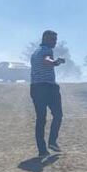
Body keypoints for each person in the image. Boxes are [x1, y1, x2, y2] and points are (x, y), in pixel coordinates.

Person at [30, 30, 65, 158]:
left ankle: (42, 150)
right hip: (47, 87)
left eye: (55, 40)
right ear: (45, 39)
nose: (55, 42)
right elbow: (46, 60)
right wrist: (56, 62)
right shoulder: (46, 50)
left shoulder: (35, 52)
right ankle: (52, 141)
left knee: (41, 119)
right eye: (52, 39)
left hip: (35, 87)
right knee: (58, 115)